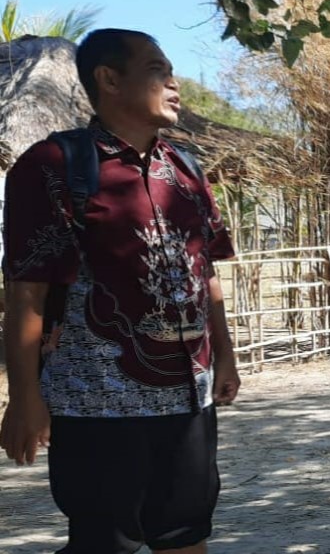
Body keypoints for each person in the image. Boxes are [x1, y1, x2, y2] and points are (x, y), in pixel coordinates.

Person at [0, 29, 241, 553]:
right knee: (104, 543)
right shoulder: (55, 167)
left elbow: (209, 273)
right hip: (97, 405)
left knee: (186, 534)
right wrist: (24, 396)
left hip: (188, 398)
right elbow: (26, 293)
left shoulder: (187, 170)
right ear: (109, 80)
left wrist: (224, 356)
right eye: (158, 69)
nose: (175, 83)